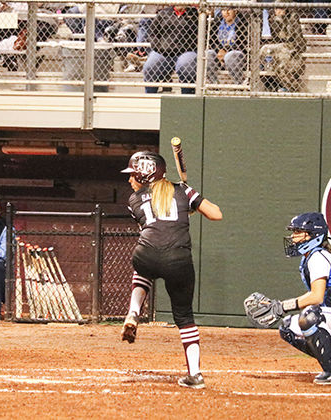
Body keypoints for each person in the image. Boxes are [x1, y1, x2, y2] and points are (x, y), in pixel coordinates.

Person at [120, 151, 222, 389]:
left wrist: (187, 204)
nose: (129, 180)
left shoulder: (133, 201)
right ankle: (195, 375)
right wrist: (193, 199)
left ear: (145, 176)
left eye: (133, 175)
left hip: (145, 253)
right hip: (179, 259)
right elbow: (217, 214)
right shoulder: (183, 191)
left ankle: (134, 311)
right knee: (185, 317)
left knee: (144, 267)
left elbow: (155, 226)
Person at [262, 212, 331, 385]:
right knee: (288, 327)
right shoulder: (310, 257)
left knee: (310, 316)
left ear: (313, 235)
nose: (293, 237)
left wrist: (282, 306)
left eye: (298, 232)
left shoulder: (317, 256)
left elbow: (316, 297)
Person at [143, 5, 198, 94]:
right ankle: (150, 95)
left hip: (186, 51)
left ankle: (187, 95)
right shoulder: (164, 13)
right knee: (149, 66)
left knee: (185, 65)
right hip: (163, 52)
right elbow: (152, 33)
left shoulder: (194, 14)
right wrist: (158, 47)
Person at [261, 3, 306, 92]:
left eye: (281, 8)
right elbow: (276, 39)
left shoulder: (293, 19)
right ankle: (273, 86)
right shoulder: (273, 20)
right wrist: (278, 22)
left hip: (293, 54)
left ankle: (291, 87)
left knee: (281, 57)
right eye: (276, 8)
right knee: (265, 51)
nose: (278, 11)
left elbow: (299, 44)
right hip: (279, 53)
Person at [206, 8, 248, 85]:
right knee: (208, 53)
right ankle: (214, 83)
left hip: (237, 53)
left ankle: (239, 84)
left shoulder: (243, 23)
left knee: (229, 56)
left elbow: (243, 43)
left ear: (235, 10)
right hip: (219, 54)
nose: (226, 13)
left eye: (229, 10)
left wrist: (226, 51)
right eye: (224, 10)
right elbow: (212, 41)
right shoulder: (217, 23)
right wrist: (219, 50)